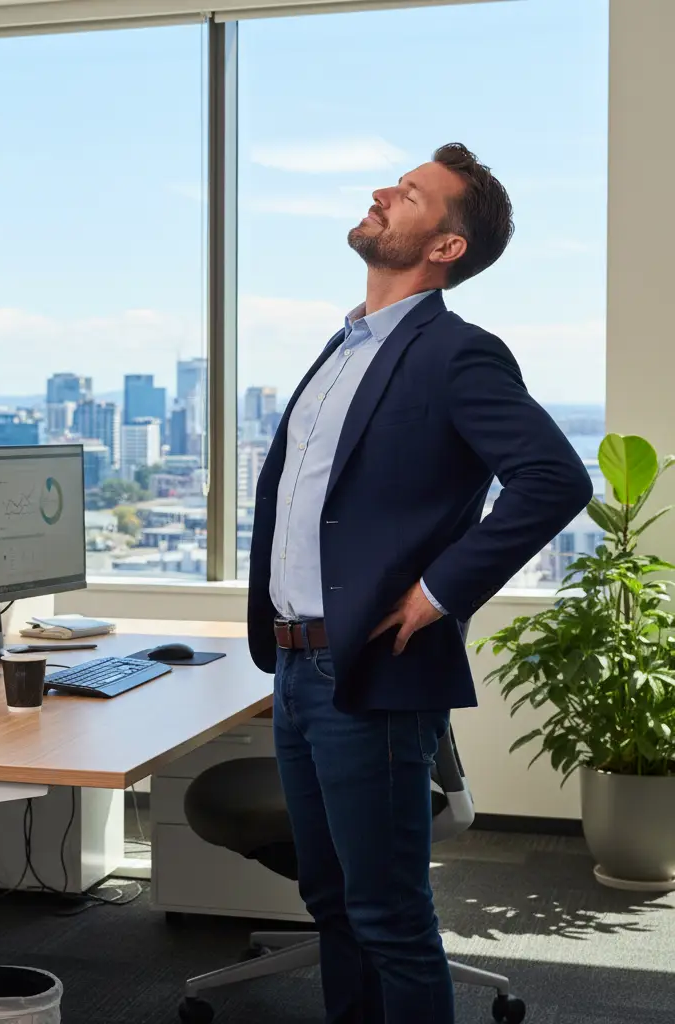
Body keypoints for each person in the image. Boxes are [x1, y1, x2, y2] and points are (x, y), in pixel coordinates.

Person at [246, 142, 593, 1024]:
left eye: (407, 195)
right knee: (331, 905)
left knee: (389, 918)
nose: (379, 195)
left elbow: (555, 479)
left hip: (370, 673)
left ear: (445, 249)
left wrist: (436, 594)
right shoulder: (341, 348)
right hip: (295, 668)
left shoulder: (457, 355)